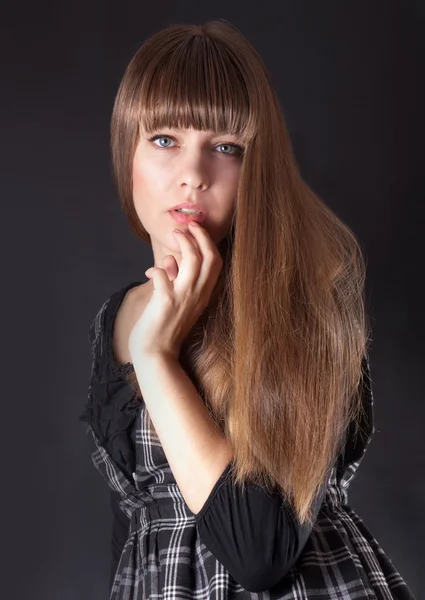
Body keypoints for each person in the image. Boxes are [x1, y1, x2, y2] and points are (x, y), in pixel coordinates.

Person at [78, 19, 416, 600]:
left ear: (256, 166)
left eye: (226, 148)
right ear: (126, 149)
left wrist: (156, 357)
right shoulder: (117, 317)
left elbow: (259, 551)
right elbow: (135, 526)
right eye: (165, 140)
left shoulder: (302, 298)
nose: (193, 175)